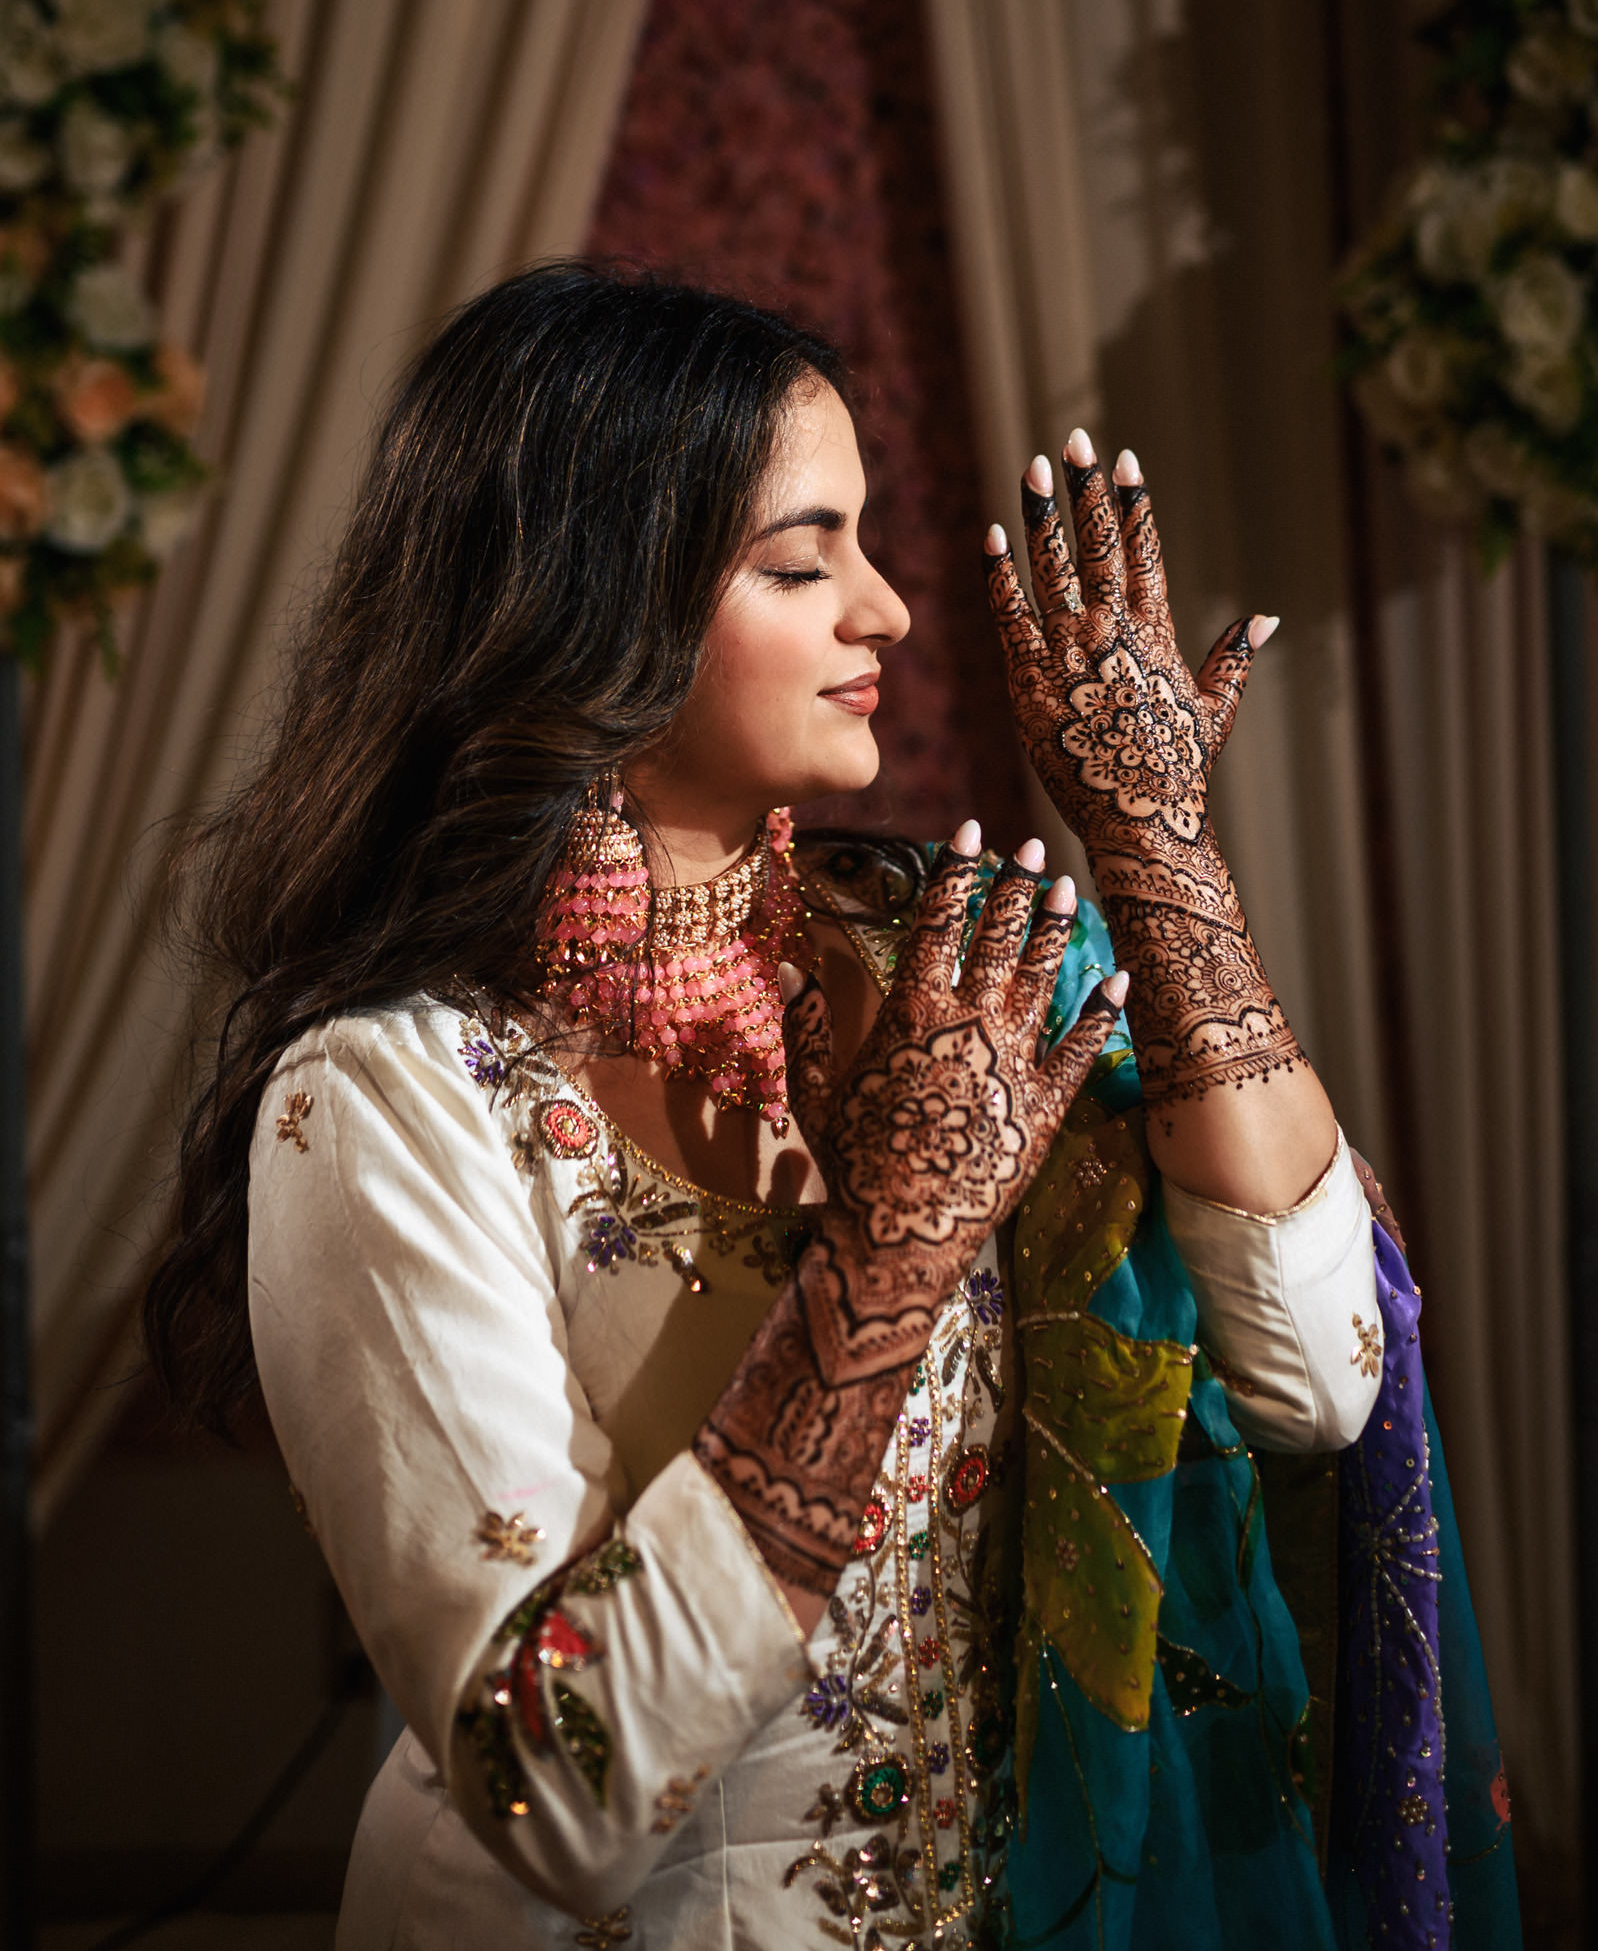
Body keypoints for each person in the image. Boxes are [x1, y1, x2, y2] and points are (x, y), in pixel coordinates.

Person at [145, 266, 1518, 1950]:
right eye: (800, 562)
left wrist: (1159, 859)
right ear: (590, 604)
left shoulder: (967, 973)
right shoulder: (387, 1097)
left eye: (859, 548)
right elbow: (551, 1791)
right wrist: (888, 1249)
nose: (887, 612)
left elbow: (1320, 1383)